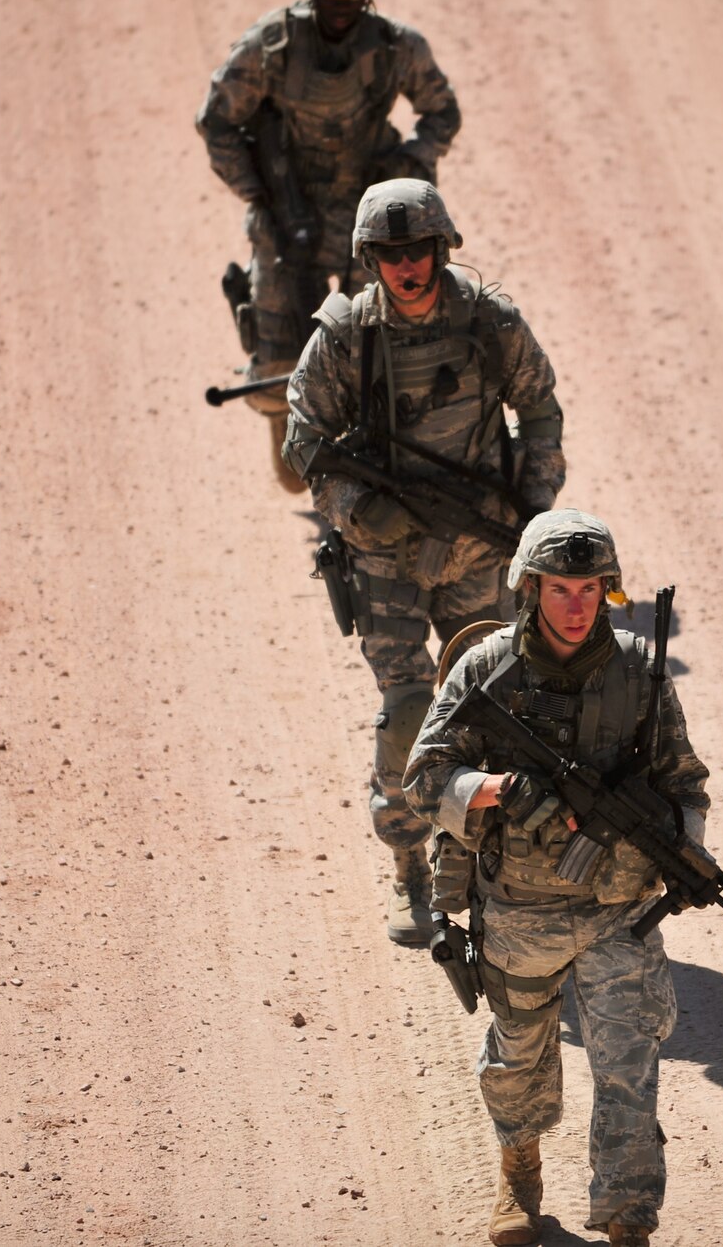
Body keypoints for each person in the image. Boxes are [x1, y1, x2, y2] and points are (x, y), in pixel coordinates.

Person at [403, 510, 705, 1247]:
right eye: (560, 588)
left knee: (630, 1062)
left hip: (618, 910)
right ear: (529, 588)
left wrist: (685, 855)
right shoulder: (487, 671)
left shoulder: (640, 670)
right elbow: (423, 776)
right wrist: (498, 789)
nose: (576, 605)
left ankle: (629, 1212)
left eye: (590, 588)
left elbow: (684, 782)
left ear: (609, 590)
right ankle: (520, 1171)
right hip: (519, 907)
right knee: (518, 1058)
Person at [283, 177, 565, 946]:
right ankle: (410, 865)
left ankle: (490, 867)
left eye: (418, 251)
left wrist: (533, 516)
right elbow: (304, 439)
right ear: (369, 259)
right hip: (385, 559)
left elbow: (539, 407)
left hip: (479, 547)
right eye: (390, 254)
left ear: (441, 250)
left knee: (494, 712)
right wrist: (360, 512)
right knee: (410, 708)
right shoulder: (345, 335)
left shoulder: (487, 322)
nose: (407, 266)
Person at [197, 0, 462, 493]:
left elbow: (442, 110)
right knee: (276, 378)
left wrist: (411, 169)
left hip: (371, 221)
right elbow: (216, 119)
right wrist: (258, 192)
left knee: (394, 352)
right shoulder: (272, 46)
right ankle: (287, 421)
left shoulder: (396, 47)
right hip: (287, 217)